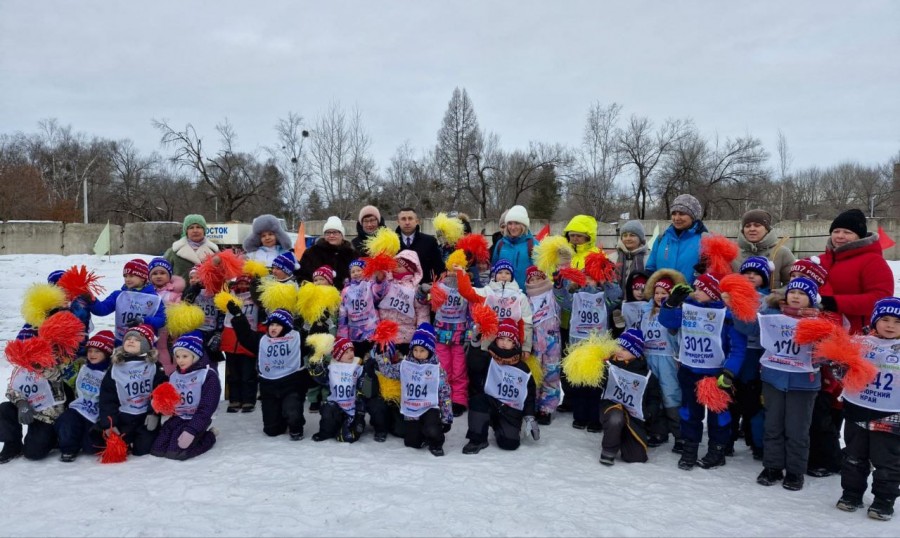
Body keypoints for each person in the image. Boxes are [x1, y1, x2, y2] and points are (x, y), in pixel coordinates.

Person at [810, 209, 893, 477]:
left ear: (858, 235)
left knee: (839, 395)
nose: (840, 236)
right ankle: (821, 450)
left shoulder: (872, 261)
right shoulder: (822, 259)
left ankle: (837, 455)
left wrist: (838, 302)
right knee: (820, 392)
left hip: (854, 337)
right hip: (820, 334)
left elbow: (881, 299)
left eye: (847, 232)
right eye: (836, 231)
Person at [658, 273, 747, 471]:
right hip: (689, 370)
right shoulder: (688, 307)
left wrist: (730, 372)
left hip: (716, 375)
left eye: (700, 289)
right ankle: (690, 447)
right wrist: (671, 304)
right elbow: (668, 322)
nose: (695, 292)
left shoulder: (727, 315)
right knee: (689, 413)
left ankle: (717, 450)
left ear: (712, 292)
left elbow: (738, 348)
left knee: (718, 416)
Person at [755, 276, 836, 491]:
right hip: (773, 378)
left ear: (811, 299)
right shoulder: (771, 316)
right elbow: (749, 329)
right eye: (792, 292)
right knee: (772, 425)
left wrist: (821, 349)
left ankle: (795, 471)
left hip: (803, 384)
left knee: (797, 430)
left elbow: (829, 355)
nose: (796, 297)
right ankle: (772, 466)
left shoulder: (820, 323)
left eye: (802, 294)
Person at [838, 297, 900, 521]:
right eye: (885, 319)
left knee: (887, 460)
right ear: (875, 320)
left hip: (891, 414)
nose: (890, 325)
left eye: (897, 321)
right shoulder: (860, 343)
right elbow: (839, 365)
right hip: (858, 409)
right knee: (854, 456)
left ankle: (884, 500)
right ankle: (851, 493)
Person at [229, 305, 311, 440]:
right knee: (271, 430)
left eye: (278, 325)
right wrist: (238, 316)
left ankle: (295, 426)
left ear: (286, 326)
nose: (273, 328)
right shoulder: (262, 340)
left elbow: (314, 340)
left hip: (292, 385)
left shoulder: (297, 338)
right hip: (269, 387)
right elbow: (245, 336)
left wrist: (319, 323)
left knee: (292, 410)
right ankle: (281, 419)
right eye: (271, 324)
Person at [376, 323, 453, 457]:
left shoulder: (437, 370)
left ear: (430, 351)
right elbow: (388, 371)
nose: (418, 353)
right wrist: (382, 354)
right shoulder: (406, 365)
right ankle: (422, 433)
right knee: (412, 442)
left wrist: (447, 417)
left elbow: (444, 394)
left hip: (430, 408)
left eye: (422, 350)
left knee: (433, 431)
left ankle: (436, 442)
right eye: (415, 349)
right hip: (412, 409)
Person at [94, 324, 167, 457]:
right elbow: (107, 398)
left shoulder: (153, 366)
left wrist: (155, 413)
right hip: (124, 417)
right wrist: (110, 423)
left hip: (145, 418)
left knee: (143, 450)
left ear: (146, 345)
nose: (131, 341)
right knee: (97, 445)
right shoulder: (116, 367)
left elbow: (161, 391)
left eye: (137, 339)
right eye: (128, 338)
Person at [151, 331, 221, 460]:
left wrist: (192, 430)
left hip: (197, 418)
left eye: (185, 356)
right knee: (157, 449)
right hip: (179, 417)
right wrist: (158, 405)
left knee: (177, 452)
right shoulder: (174, 375)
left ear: (195, 356)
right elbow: (168, 397)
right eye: (177, 356)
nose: (180, 360)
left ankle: (209, 436)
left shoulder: (207, 375)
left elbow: (207, 406)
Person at [598, 329, 662, 465]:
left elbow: (654, 398)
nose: (620, 351)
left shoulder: (647, 376)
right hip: (611, 410)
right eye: (618, 347)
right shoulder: (609, 366)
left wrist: (649, 413)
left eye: (625, 349)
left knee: (637, 457)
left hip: (633, 418)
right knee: (616, 417)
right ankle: (608, 450)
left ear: (636, 353)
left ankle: (620, 436)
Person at [54, 330, 115, 462]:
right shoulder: (81, 366)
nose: (92, 354)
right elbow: (66, 374)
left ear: (107, 353)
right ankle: (68, 448)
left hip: (98, 413)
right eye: (90, 351)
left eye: (97, 351)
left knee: (91, 448)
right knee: (66, 420)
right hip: (78, 407)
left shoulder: (113, 371)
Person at [642, 270, 686, 452]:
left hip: (668, 359)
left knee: (671, 395)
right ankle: (659, 431)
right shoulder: (647, 313)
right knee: (654, 395)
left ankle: (680, 435)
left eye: (664, 293)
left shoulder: (675, 313)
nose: (660, 296)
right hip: (650, 357)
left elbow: (678, 337)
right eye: (657, 292)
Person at [88, 259, 167, 344]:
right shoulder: (118, 295)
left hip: (144, 343)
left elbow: (161, 320)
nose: (127, 279)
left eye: (131, 276)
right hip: (121, 342)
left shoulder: (155, 298)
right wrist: (92, 300)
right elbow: (102, 310)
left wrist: (143, 320)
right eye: (125, 276)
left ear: (143, 278)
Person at [309, 337, 366, 443]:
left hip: (354, 409)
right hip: (336, 406)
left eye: (351, 350)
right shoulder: (332, 368)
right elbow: (321, 379)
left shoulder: (358, 367)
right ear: (338, 356)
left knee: (346, 437)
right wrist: (316, 369)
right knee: (327, 409)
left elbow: (365, 386)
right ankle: (326, 432)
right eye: (346, 352)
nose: (350, 354)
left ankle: (354, 426)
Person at [525, 266, 562, 425]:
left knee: (551, 375)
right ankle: (532, 406)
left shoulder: (553, 293)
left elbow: (564, 298)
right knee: (534, 376)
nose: (535, 282)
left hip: (552, 343)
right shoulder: (525, 298)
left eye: (538, 278)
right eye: (531, 280)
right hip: (533, 344)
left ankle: (546, 409)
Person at [220, 276, 261, 413]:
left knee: (248, 373)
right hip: (231, 339)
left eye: (245, 283)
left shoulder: (256, 298)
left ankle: (248, 399)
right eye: (240, 283)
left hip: (249, 337)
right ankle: (234, 399)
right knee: (234, 375)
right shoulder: (229, 295)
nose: (242, 286)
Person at [645, 194, 707, 283]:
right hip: (662, 296)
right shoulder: (661, 239)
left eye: (682, 214)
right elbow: (650, 268)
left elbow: (709, 276)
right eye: (674, 213)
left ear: (693, 216)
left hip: (690, 296)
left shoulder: (704, 241)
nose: (676, 218)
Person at [732, 209, 795, 289]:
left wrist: (777, 296)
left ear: (767, 229)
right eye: (747, 226)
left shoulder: (781, 252)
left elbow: (794, 283)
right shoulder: (732, 252)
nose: (752, 229)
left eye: (757, 225)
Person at [298, 216, 357, 290]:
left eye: (335, 232)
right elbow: (302, 275)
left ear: (342, 235)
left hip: (346, 296)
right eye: (328, 232)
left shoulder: (351, 254)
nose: (331, 235)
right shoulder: (312, 253)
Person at [337, 259, 379, 360]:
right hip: (354, 333)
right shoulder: (346, 291)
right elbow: (343, 315)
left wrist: (380, 278)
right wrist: (343, 337)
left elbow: (380, 291)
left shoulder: (370, 285)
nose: (356, 273)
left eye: (359, 270)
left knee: (372, 359)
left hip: (371, 331)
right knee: (358, 359)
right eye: (353, 271)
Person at [163, 214, 220, 281]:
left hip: (207, 291)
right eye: (191, 228)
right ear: (186, 231)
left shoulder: (215, 251)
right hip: (179, 291)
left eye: (198, 227)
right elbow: (163, 274)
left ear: (204, 230)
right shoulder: (173, 252)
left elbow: (222, 275)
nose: (195, 230)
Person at [491, 205, 535, 288]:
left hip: (526, 297)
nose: (513, 227)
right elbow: (494, 270)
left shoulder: (533, 245)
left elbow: (541, 273)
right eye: (510, 223)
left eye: (517, 223)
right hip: (503, 297)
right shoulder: (500, 244)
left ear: (523, 225)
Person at [396, 207, 443, 285]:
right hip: (396, 292)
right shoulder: (389, 242)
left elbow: (439, 269)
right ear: (398, 222)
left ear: (417, 221)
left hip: (423, 291)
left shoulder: (430, 241)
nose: (407, 222)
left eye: (410, 218)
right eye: (403, 219)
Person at [615, 220, 648, 295]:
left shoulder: (647, 259)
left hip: (639, 303)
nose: (628, 238)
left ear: (640, 239)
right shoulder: (612, 257)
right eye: (625, 235)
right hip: (614, 304)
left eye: (632, 235)